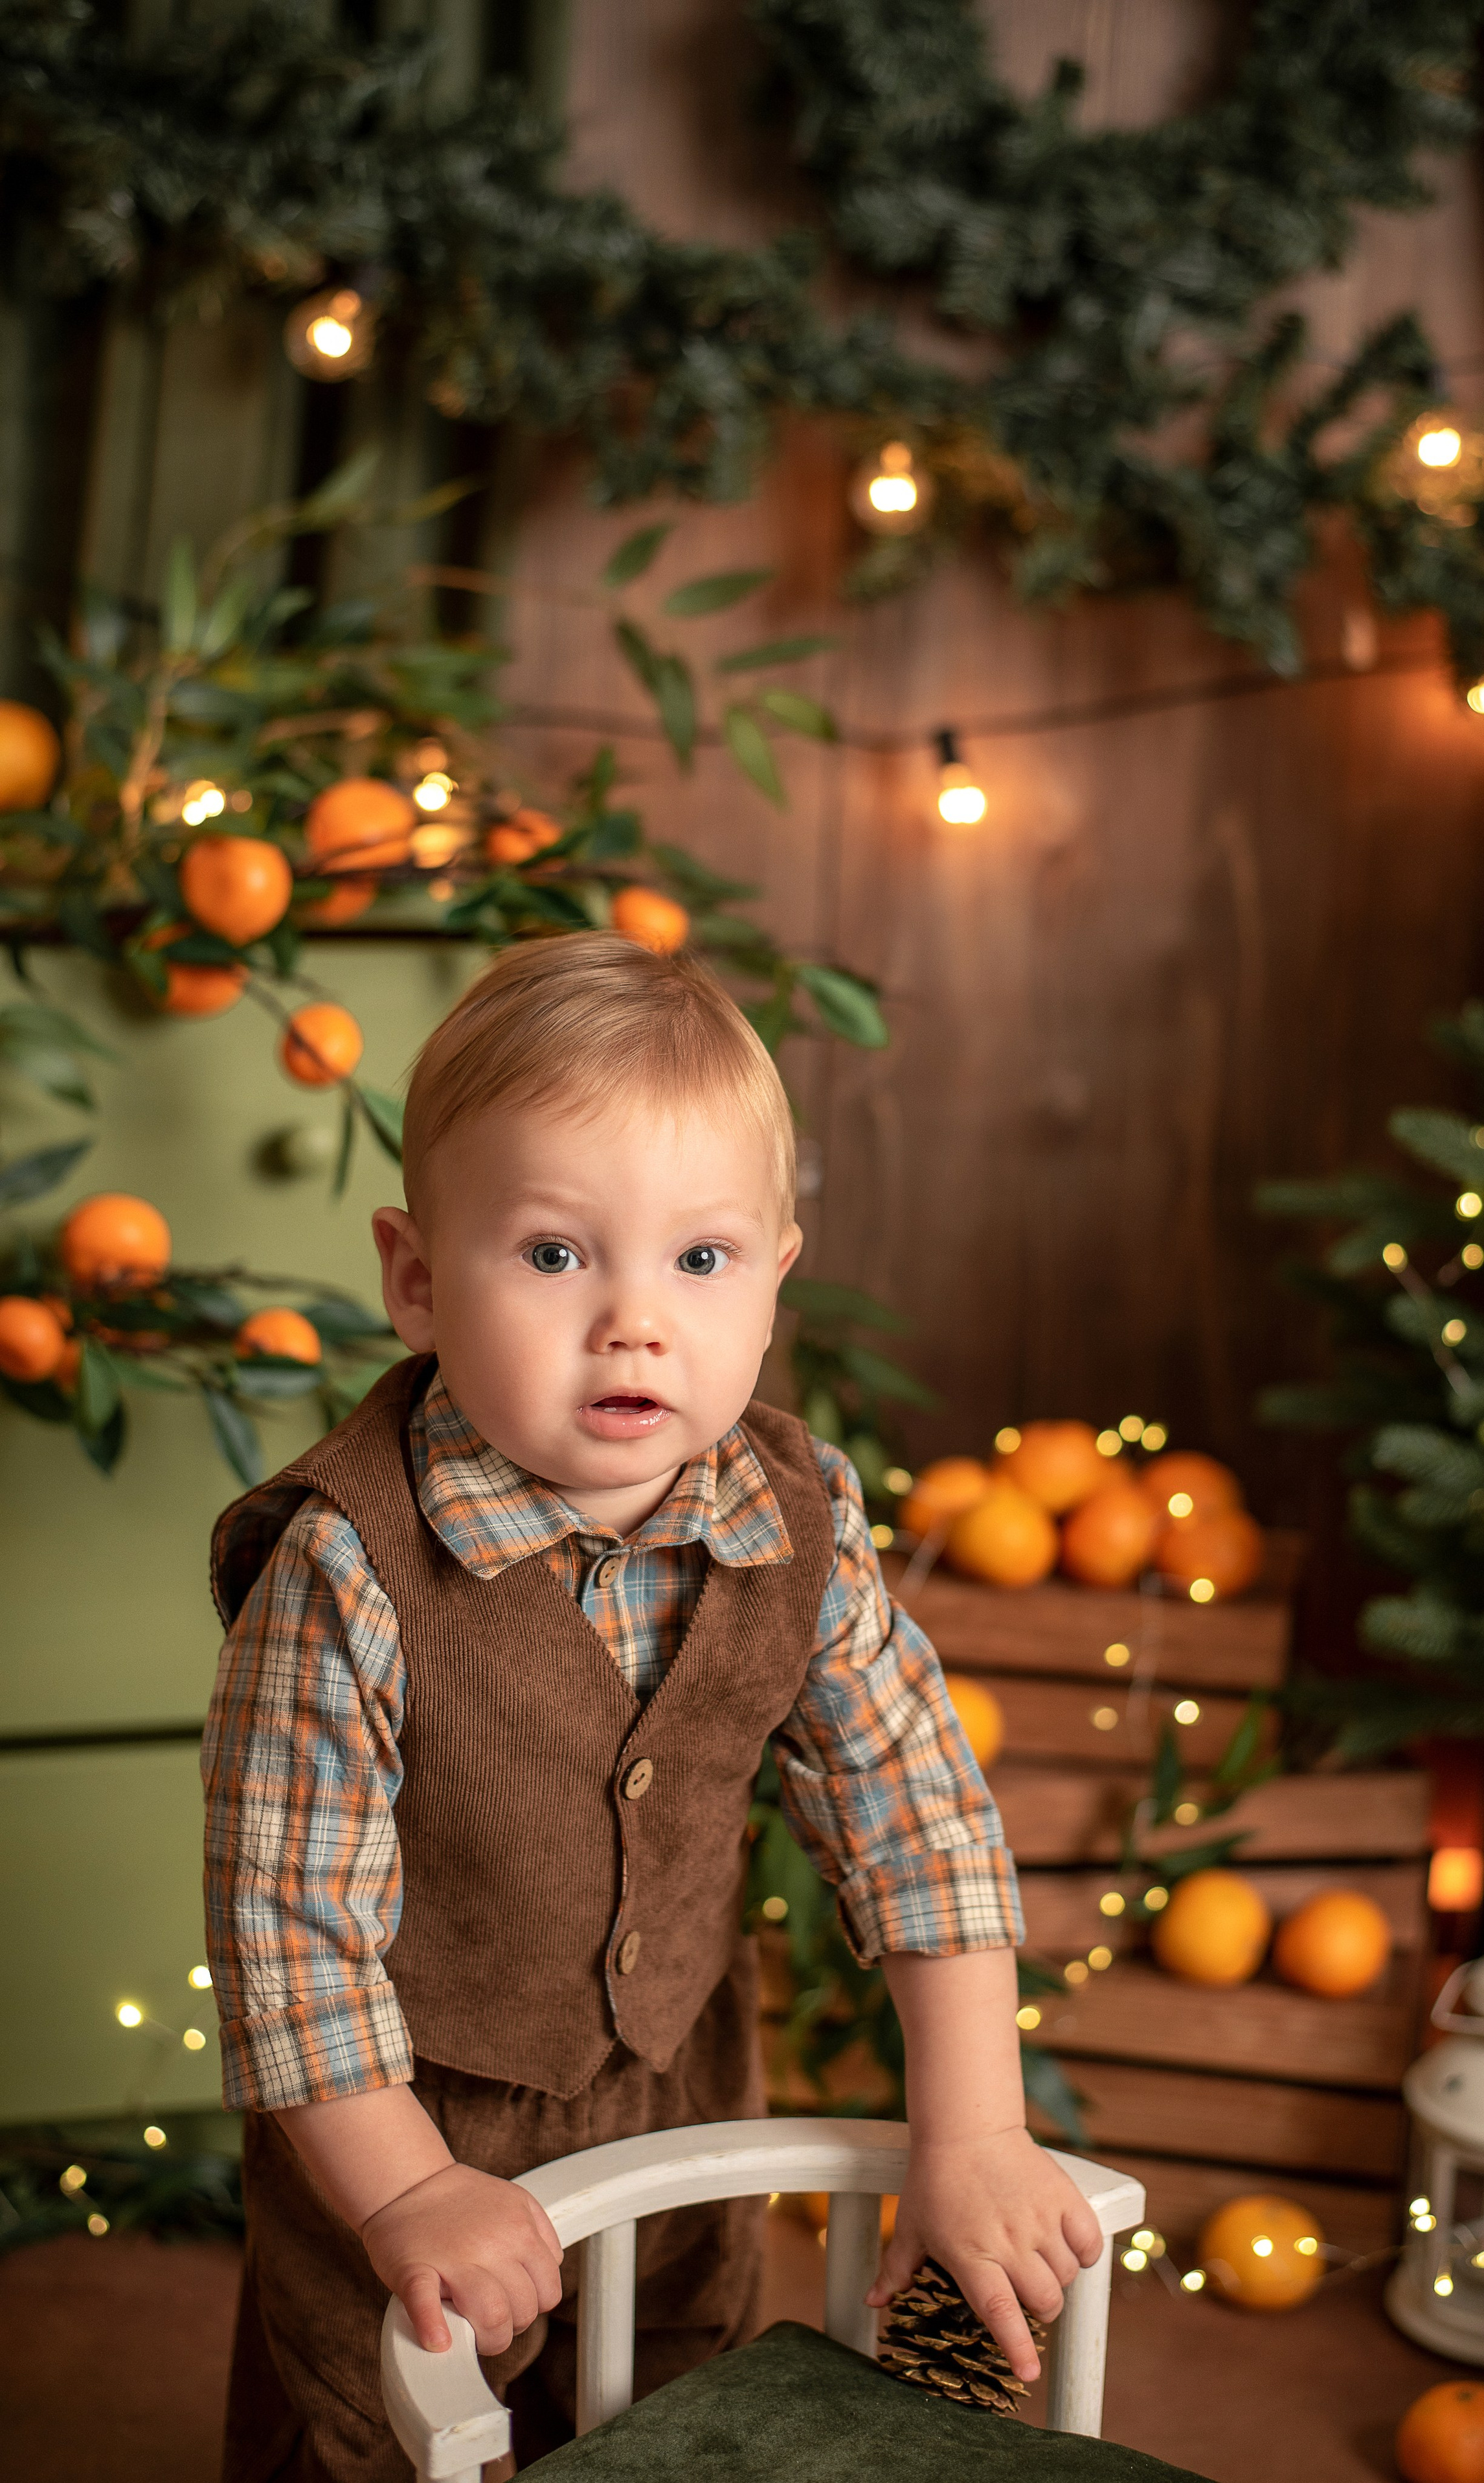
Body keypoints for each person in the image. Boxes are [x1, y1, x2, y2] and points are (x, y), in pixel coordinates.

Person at [202, 932, 1101, 2480]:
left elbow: (919, 1821)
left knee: (679, 2405)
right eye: (555, 1254)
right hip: (409, 2100)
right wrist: (406, 2187)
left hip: (680, 2074)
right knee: (377, 2426)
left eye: (699, 1260)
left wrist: (971, 2130)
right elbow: (288, 1938)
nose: (634, 1319)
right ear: (417, 1279)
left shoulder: (801, 1518)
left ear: (772, 1278)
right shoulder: (346, 1565)